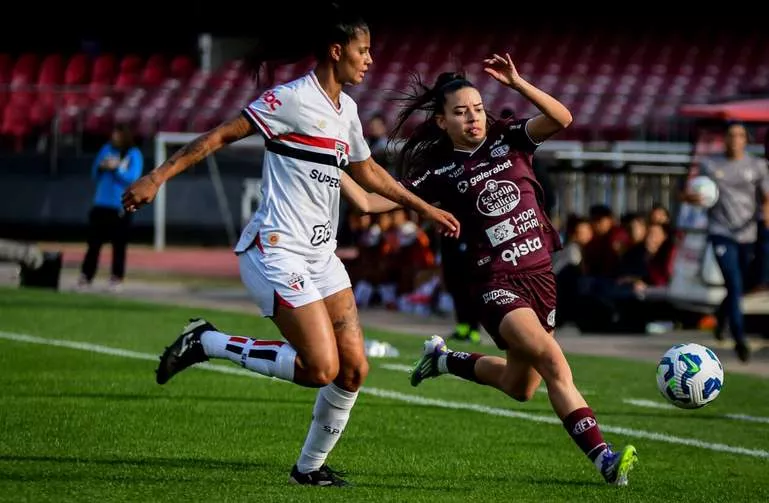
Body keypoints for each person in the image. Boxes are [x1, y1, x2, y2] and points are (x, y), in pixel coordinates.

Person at [121, 4, 459, 487]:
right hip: (276, 250)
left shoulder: (348, 112)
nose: (370, 60)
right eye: (363, 50)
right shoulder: (291, 99)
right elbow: (219, 136)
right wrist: (156, 177)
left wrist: (425, 204)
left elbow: (367, 179)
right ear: (336, 50)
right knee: (321, 368)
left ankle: (309, 469)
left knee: (353, 369)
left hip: (321, 257)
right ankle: (207, 341)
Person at [395, 53, 637, 486]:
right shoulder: (440, 171)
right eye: (460, 112)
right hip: (495, 282)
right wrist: (340, 170)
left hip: (541, 278)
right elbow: (378, 198)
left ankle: (443, 360)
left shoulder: (509, 139)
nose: (473, 117)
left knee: (519, 385)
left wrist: (518, 83)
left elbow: (561, 118)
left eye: (477, 108)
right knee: (553, 361)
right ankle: (605, 458)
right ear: (441, 122)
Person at [682, 122, 769, 362]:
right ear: (725, 139)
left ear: (746, 140)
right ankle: (740, 338)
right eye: (731, 135)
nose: (735, 139)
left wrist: (765, 221)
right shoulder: (711, 164)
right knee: (733, 281)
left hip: (749, 233)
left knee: (746, 284)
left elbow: (766, 198)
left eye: (740, 135)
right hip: (721, 232)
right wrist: (693, 197)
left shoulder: (757, 166)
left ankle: (721, 317)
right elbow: (689, 193)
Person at [79, 123, 143, 291]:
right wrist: (102, 167)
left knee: (119, 245)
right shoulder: (106, 149)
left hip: (121, 205)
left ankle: (116, 278)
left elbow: (133, 178)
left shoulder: (133, 153)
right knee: (93, 243)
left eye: (117, 134)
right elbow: (95, 174)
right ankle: (86, 276)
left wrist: (117, 169)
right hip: (101, 204)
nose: (114, 137)